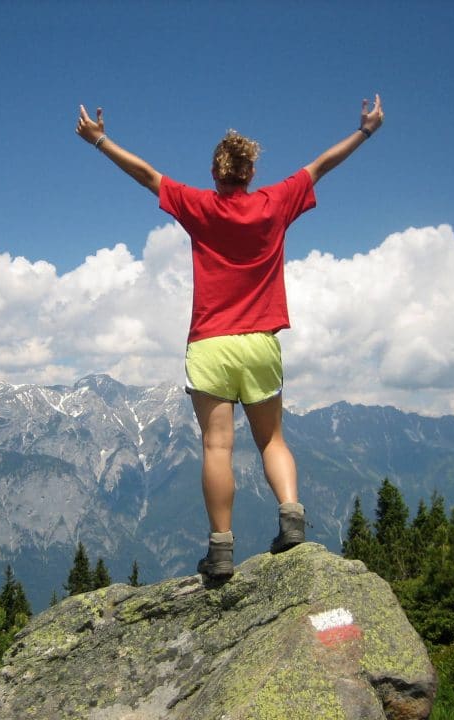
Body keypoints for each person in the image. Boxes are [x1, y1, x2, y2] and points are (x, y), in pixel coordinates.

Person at [75, 96, 384, 579]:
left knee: (217, 447)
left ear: (216, 173)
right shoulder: (275, 203)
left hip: (210, 344)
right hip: (261, 341)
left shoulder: (200, 207)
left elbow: (147, 175)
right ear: (250, 172)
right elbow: (322, 164)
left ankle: (220, 550)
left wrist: (100, 141)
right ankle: (291, 518)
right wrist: (366, 131)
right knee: (271, 439)